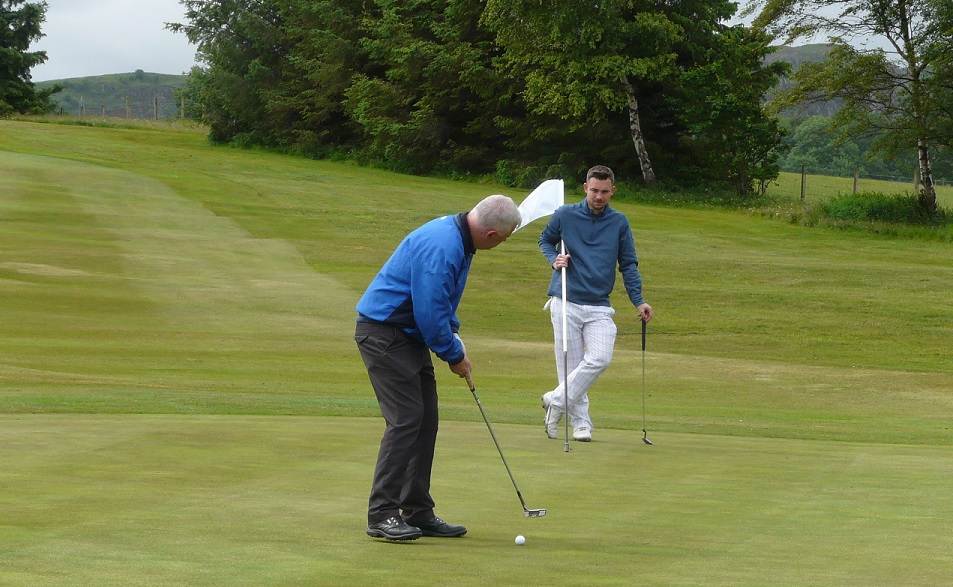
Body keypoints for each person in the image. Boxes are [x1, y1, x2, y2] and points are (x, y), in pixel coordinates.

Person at [355, 194, 521, 541]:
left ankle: (416, 509)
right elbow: (429, 314)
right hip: (385, 333)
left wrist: (454, 334)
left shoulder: (459, 237)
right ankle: (382, 514)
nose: (501, 244)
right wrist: (453, 354)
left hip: (406, 335)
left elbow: (442, 301)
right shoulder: (444, 246)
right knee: (406, 420)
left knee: (426, 418)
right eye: (504, 240)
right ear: (492, 235)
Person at [538, 165, 653, 442]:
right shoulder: (565, 214)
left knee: (600, 358)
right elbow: (545, 240)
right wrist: (554, 259)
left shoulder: (619, 222)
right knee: (570, 364)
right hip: (565, 299)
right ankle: (581, 424)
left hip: (599, 304)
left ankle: (555, 400)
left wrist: (639, 301)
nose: (598, 196)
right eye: (594, 191)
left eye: (604, 191)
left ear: (612, 190)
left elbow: (628, 264)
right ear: (585, 188)